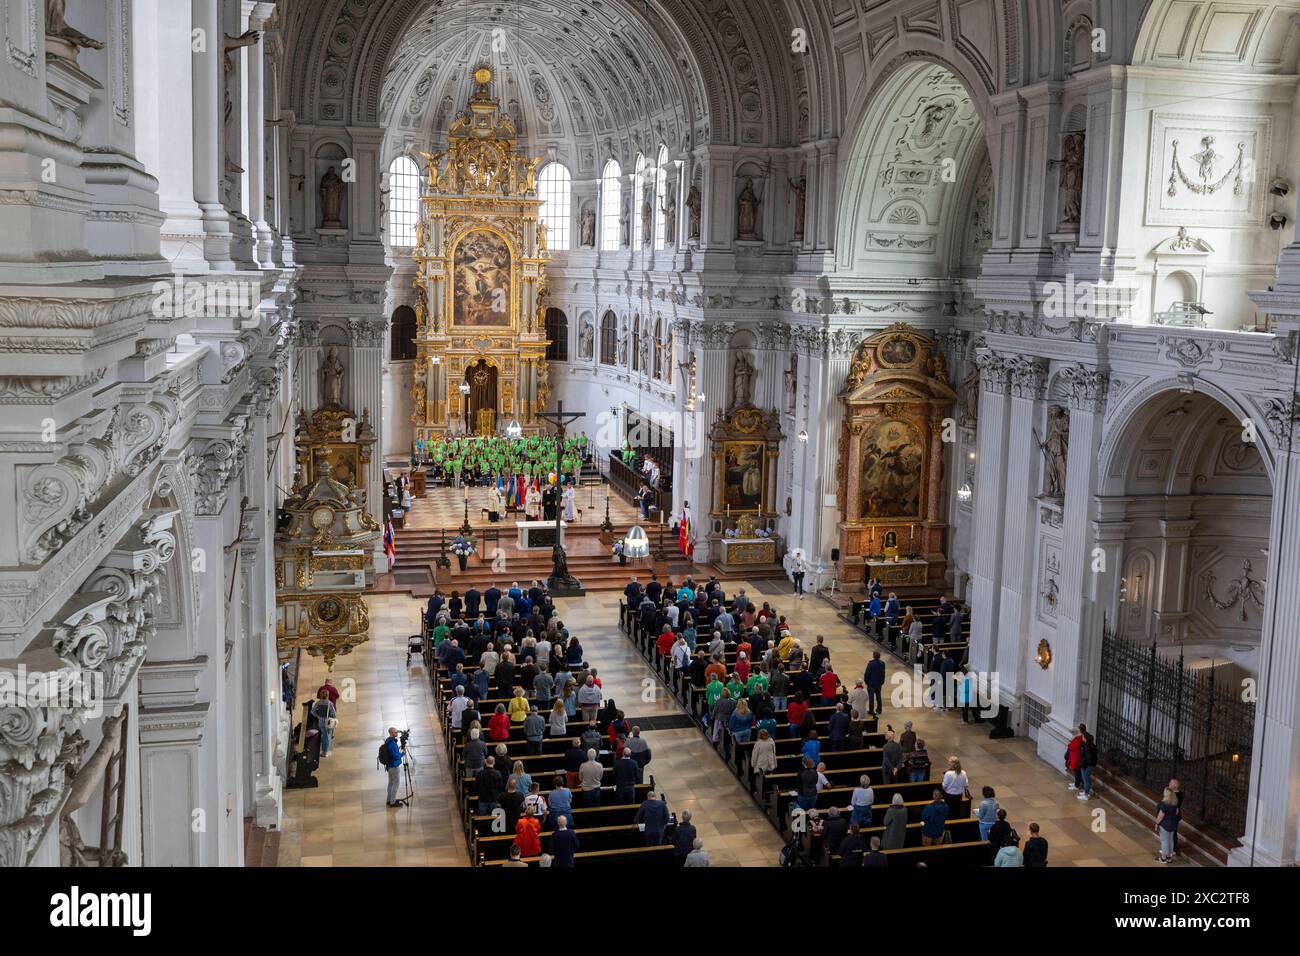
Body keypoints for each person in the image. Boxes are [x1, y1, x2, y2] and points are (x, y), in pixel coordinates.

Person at [1155, 787, 1181, 863]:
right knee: (1170, 840)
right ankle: (1169, 857)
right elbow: (1176, 812)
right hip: (1173, 824)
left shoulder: (1164, 804)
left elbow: (1161, 815)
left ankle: (1163, 858)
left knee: (1164, 841)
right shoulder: (1175, 804)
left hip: (1165, 825)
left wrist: (1157, 823)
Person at [381, 727, 403, 807]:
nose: (396, 733)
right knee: (395, 784)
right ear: (390, 733)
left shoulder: (388, 740)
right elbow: (396, 755)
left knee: (390, 783)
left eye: (396, 731)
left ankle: (389, 800)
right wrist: (402, 754)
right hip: (394, 766)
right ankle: (393, 802)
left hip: (389, 766)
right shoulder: (393, 743)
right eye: (395, 732)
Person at [311, 689, 336, 757]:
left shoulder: (318, 703)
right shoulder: (330, 703)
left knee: (323, 735)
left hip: (320, 721)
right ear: (328, 695)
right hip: (327, 722)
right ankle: (325, 752)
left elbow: (312, 711)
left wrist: (318, 716)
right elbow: (334, 713)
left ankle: (323, 750)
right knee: (327, 737)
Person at [864, 651, 886, 716]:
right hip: (879, 683)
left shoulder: (871, 664)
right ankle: (879, 709)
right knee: (878, 696)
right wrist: (882, 682)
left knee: (871, 698)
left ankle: (871, 710)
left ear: (873, 656)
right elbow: (883, 674)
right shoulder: (883, 663)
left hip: (871, 683)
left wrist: (866, 682)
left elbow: (867, 674)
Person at [1066, 724, 1086, 793]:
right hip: (1074, 756)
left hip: (1076, 757)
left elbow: (1072, 746)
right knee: (1076, 771)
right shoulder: (1079, 737)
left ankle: (1077, 785)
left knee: (1077, 771)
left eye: (1078, 728)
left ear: (1080, 730)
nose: (1077, 729)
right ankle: (1076, 783)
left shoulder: (1079, 738)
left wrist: (1069, 744)